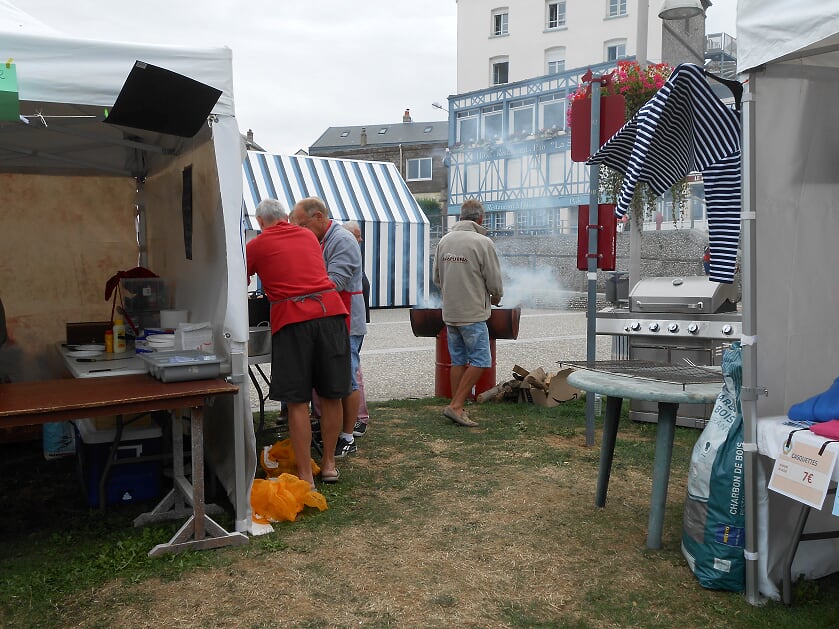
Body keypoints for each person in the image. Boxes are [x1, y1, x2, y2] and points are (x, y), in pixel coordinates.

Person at [246, 198, 350, 488]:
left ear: (259, 222)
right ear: (286, 218)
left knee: (296, 401)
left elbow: (237, 282)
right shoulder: (307, 235)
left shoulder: (256, 244)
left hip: (293, 320)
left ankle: (306, 475)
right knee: (331, 395)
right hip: (330, 314)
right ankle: (329, 464)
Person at [291, 197, 367, 457]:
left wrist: (299, 288)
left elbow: (336, 282)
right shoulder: (322, 238)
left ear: (319, 217)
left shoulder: (342, 240)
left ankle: (348, 436)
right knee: (337, 378)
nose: (300, 230)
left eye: (302, 224)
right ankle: (335, 429)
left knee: (347, 378)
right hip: (332, 319)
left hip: (346, 319)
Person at [433, 198, 503, 427]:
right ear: (480, 219)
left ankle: (457, 406)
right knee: (482, 361)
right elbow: (493, 280)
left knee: (458, 360)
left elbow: (436, 278)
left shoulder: (444, 241)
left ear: (460, 217)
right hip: (472, 313)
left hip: (450, 312)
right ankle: (455, 405)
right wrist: (496, 296)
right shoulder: (482, 242)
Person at [342, 221, 371, 436]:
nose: (360, 240)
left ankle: (359, 419)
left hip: (351, 323)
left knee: (352, 372)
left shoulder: (350, 260)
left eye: (359, 236)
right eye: (357, 236)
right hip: (350, 322)